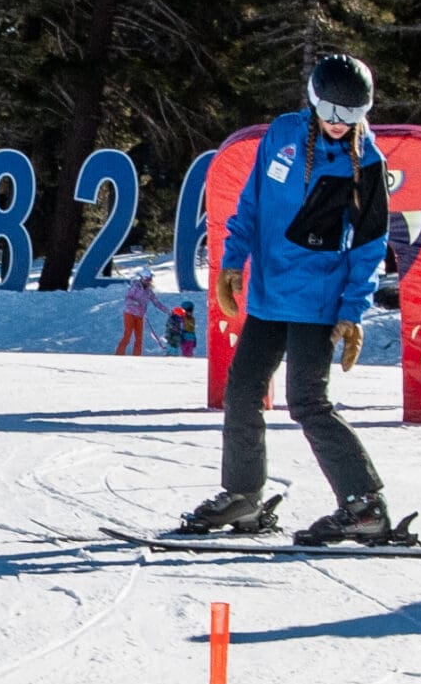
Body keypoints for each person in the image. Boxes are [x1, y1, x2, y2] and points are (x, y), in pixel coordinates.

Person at [178, 54, 395, 543]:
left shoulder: (368, 163)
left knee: (307, 401)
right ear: (315, 103)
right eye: (333, 112)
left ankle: (365, 507)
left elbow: (369, 245)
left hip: (319, 300)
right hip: (269, 294)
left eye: (352, 115)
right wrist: (232, 262)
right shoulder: (282, 135)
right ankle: (243, 498)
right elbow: (250, 203)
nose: (340, 124)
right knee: (241, 391)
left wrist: (351, 310)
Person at [114, 270, 157, 355]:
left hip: (140, 315)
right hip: (130, 313)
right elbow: (127, 299)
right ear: (142, 278)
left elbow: (156, 302)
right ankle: (119, 353)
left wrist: (168, 311)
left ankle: (136, 355)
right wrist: (136, 303)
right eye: (147, 279)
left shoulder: (148, 290)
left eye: (150, 279)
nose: (149, 281)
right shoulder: (135, 287)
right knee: (128, 335)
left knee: (139, 338)